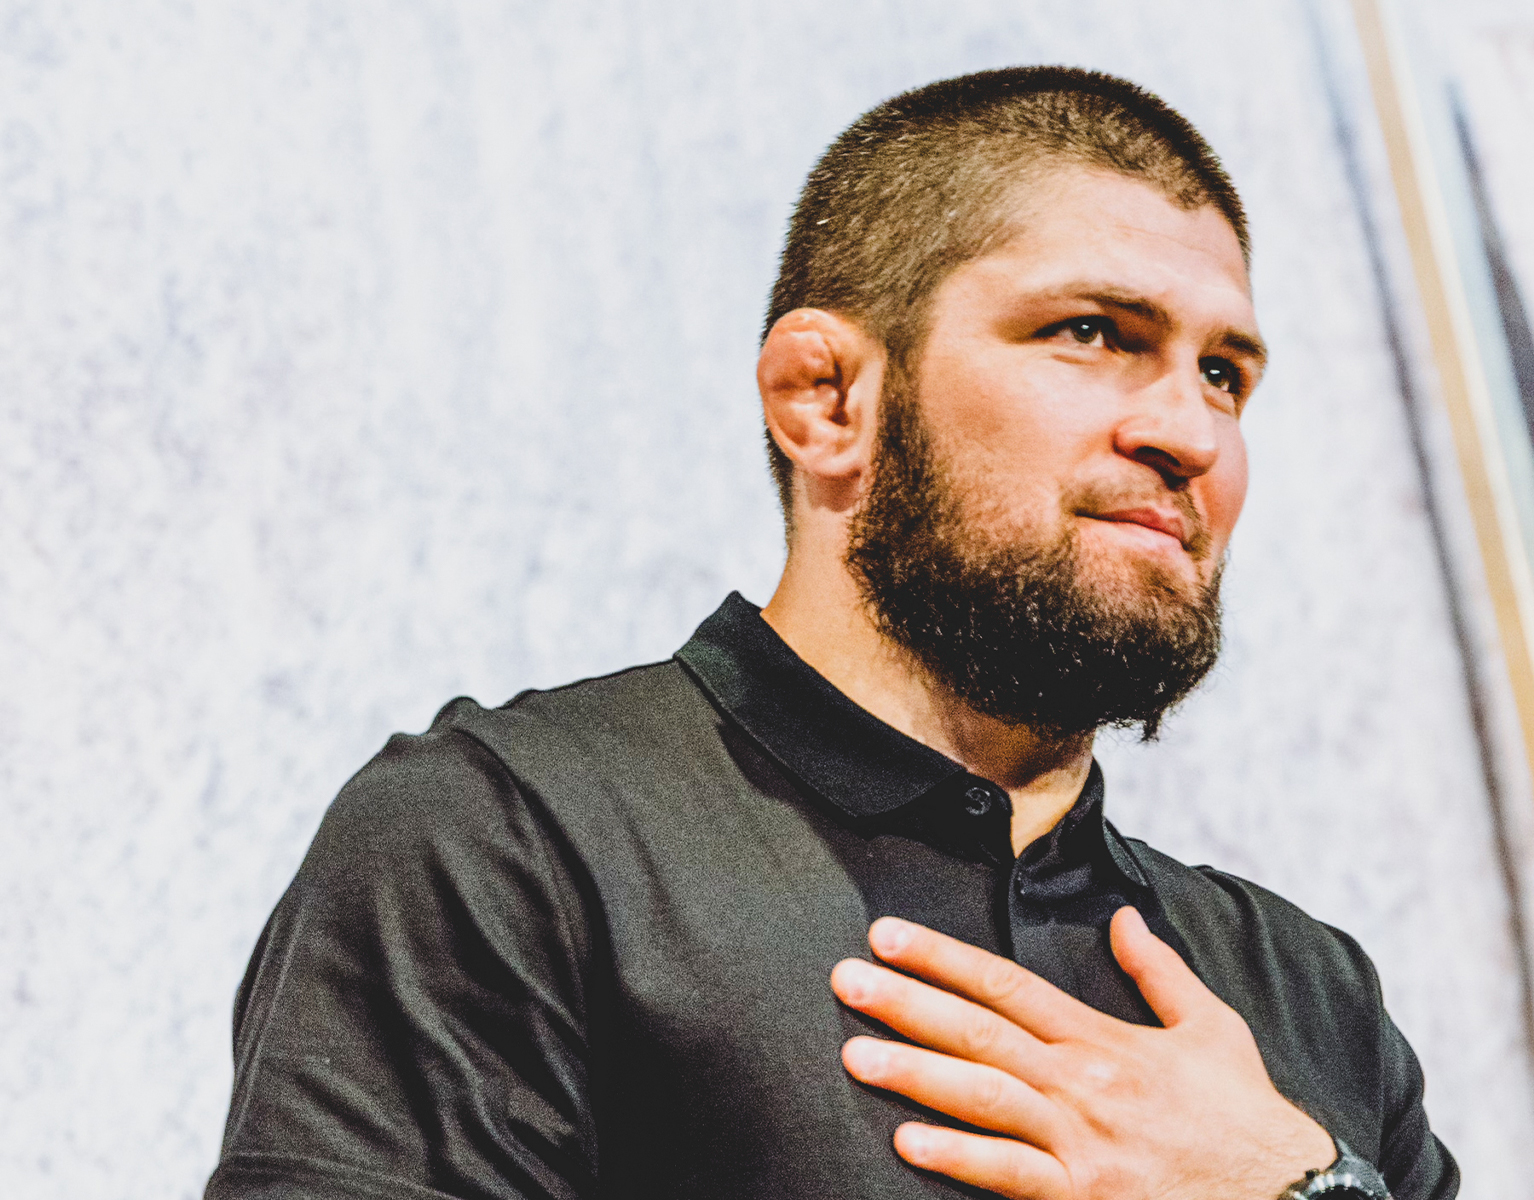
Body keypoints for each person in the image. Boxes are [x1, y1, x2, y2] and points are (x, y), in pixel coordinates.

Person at [206, 67, 1458, 1200]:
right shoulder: (513, 843)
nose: (1188, 433)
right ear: (826, 399)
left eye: (1223, 373)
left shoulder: (1306, 994)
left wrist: (1301, 1191)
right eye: (1091, 333)